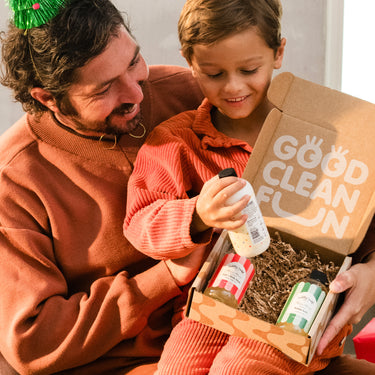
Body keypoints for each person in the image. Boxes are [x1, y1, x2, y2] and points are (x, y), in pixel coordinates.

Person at [124, 0, 375, 374]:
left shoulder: (319, 132)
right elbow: (140, 221)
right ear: (189, 61)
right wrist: (197, 215)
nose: (233, 86)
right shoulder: (177, 142)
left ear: (279, 53)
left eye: (249, 69)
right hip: (212, 304)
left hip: (298, 306)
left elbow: (358, 214)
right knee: (178, 367)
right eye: (213, 73)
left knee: (239, 368)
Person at [0, 0, 206, 374]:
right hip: (129, 363)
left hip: (240, 331)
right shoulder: (14, 180)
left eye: (133, 62)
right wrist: (166, 277)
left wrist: (352, 272)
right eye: (105, 88)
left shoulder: (188, 93)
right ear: (48, 99)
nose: (137, 94)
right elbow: (31, 340)